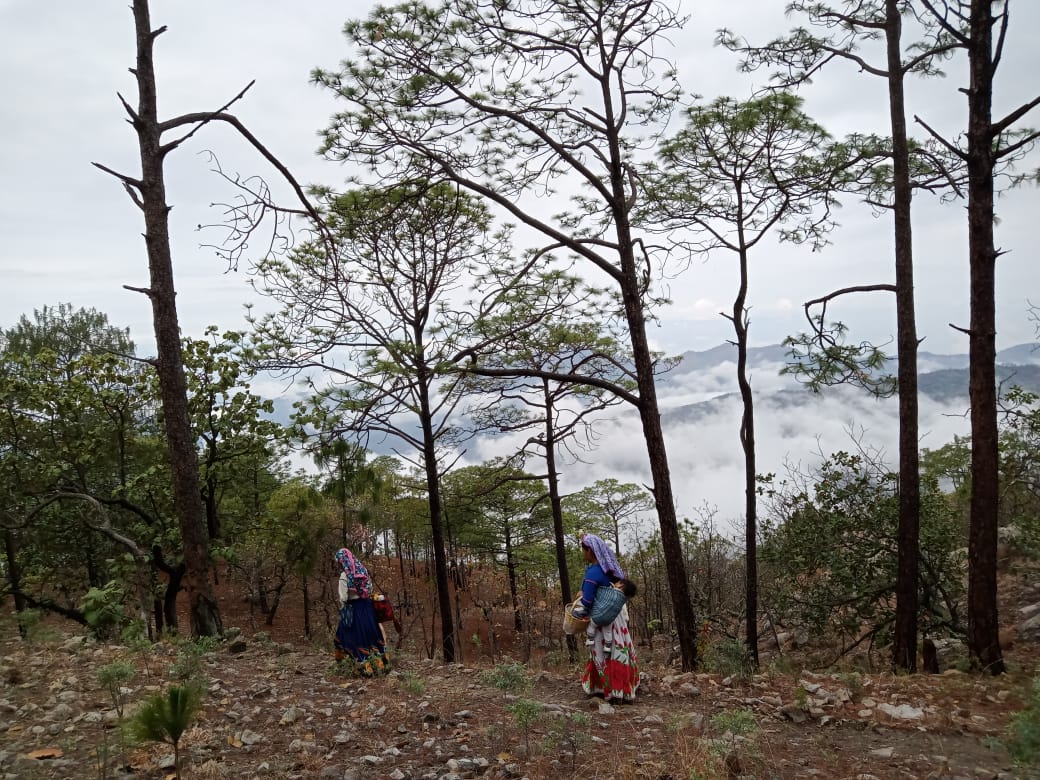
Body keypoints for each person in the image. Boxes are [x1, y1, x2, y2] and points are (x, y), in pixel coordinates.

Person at [575, 533, 639, 703]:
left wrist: (581, 598)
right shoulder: (610, 570)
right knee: (619, 652)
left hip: (602, 621)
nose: (583, 553)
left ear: (590, 551)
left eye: (584, 550)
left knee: (603, 654)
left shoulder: (593, 572)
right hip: (617, 621)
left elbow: (587, 600)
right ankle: (623, 689)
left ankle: (607, 690)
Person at [333, 547, 391, 676]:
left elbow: (343, 597)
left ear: (342, 561)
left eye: (338, 561)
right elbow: (369, 590)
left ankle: (358, 668)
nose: (338, 564)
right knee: (372, 636)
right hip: (368, 608)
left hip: (354, 610)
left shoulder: (345, 575)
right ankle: (381, 666)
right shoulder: (363, 570)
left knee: (346, 637)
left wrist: (344, 608)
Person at [584, 577, 637, 648]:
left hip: (597, 617)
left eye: (618, 582)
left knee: (592, 625)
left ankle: (590, 639)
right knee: (608, 631)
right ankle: (607, 646)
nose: (616, 583)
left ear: (621, 586)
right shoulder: (623, 600)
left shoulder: (611, 592)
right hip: (609, 620)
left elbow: (600, 592)